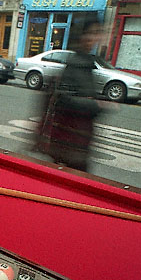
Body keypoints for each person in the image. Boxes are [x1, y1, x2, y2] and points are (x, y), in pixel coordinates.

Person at [32, 19, 106, 172]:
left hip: (75, 142)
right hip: (70, 143)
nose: (95, 38)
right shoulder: (76, 64)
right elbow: (64, 99)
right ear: (81, 36)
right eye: (91, 33)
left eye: (98, 33)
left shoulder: (85, 62)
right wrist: (96, 106)